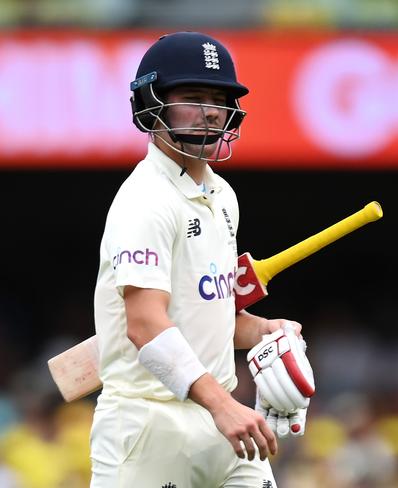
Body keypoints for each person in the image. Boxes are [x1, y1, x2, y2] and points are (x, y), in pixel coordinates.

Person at [89, 32, 313, 488]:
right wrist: (222, 405)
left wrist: (265, 330)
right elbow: (146, 324)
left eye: (219, 98)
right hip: (147, 428)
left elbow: (205, 317)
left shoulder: (223, 196)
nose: (211, 110)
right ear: (151, 103)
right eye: (192, 96)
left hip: (222, 421)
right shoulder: (144, 200)